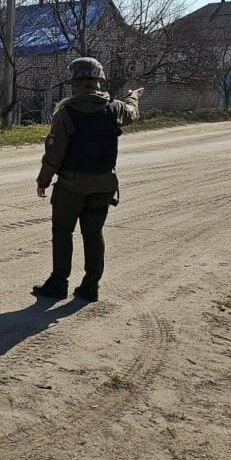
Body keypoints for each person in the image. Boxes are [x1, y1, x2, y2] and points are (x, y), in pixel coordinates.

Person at [33, 57, 143, 302]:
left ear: (74, 82)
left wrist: (43, 181)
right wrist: (133, 96)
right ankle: (90, 286)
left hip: (71, 186)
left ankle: (58, 284)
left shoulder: (66, 112)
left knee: (62, 232)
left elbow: (54, 153)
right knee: (94, 235)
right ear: (98, 79)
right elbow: (132, 112)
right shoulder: (114, 108)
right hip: (103, 185)